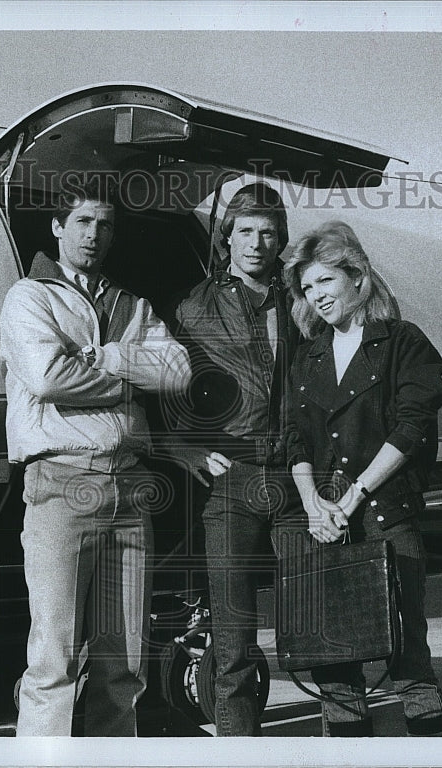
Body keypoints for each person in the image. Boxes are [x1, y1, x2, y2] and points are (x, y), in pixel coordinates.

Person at [0, 178, 191, 736]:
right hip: (62, 483)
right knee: (54, 659)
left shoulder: (131, 304)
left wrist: (104, 356)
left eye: (105, 224)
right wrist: (134, 379)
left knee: (123, 664)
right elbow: (47, 376)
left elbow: (178, 371)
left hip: (129, 491)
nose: (94, 234)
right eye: (83, 222)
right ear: (57, 227)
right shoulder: (30, 297)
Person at [281, 220, 442, 737]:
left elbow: (412, 427)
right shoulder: (307, 357)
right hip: (325, 523)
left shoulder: (402, 342)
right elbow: (296, 437)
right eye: (307, 288)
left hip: (384, 516)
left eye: (325, 282)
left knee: (406, 656)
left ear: (357, 277)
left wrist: (352, 497)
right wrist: (313, 503)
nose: (316, 297)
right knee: (333, 665)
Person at [168, 181, 302, 736]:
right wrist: (185, 446)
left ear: (280, 240)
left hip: (302, 479)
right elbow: (169, 389)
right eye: (245, 230)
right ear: (227, 237)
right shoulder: (194, 307)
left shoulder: (302, 304)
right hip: (234, 482)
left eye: (268, 232)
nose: (256, 243)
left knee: (322, 624)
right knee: (233, 639)